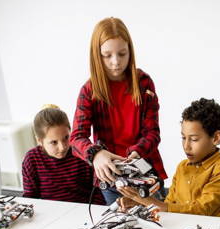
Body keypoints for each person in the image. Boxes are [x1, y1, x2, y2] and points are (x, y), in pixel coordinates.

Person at [70, 17, 167, 205]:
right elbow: (76, 138)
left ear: (130, 50)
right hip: (112, 180)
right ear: (96, 55)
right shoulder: (89, 91)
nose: (116, 62)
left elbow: (153, 133)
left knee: (157, 225)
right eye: (107, 55)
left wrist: (136, 153)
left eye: (122, 54)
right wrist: (95, 154)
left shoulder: (144, 83)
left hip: (146, 174)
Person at [117, 98, 220, 217]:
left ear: (216, 138)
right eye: (183, 138)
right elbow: (169, 205)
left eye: (194, 139)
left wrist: (152, 202)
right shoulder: (182, 167)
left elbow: (202, 210)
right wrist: (139, 204)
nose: (186, 146)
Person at [22, 105, 104, 204]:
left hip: (83, 211)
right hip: (50, 213)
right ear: (39, 141)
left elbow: (97, 193)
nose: (62, 147)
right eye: (54, 142)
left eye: (66, 138)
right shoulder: (32, 159)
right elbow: (30, 197)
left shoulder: (82, 153)